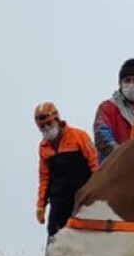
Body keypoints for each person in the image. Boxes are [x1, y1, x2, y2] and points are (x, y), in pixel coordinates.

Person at [34, 101, 98, 238]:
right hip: (58, 203)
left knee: (85, 237)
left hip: (82, 198)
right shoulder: (43, 148)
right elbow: (44, 177)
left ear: (57, 120)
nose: (46, 128)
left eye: (49, 124)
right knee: (54, 240)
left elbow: (95, 164)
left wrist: (96, 191)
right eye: (42, 126)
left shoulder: (79, 136)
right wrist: (41, 205)